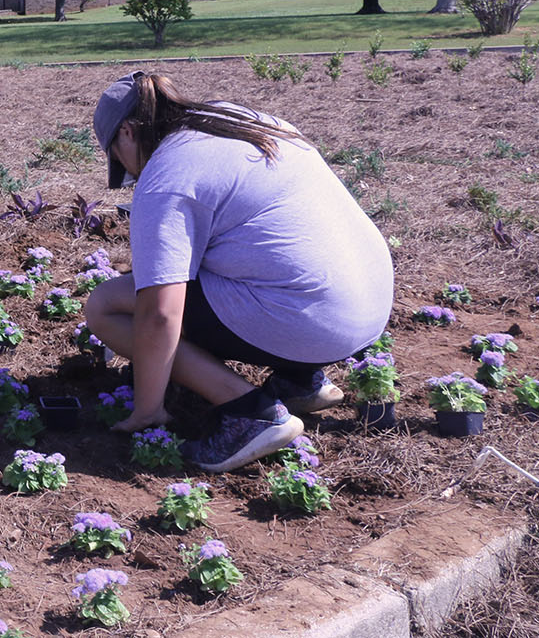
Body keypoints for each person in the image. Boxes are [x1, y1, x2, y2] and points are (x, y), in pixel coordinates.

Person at [84, 71, 394, 472]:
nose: (130, 176)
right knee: (244, 260)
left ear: (126, 132)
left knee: (106, 305)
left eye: (119, 162)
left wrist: (147, 408)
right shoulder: (236, 120)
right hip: (365, 304)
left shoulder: (167, 174)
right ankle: (301, 381)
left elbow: (161, 313)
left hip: (311, 321)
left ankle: (252, 413)